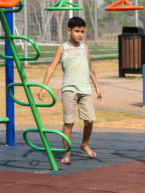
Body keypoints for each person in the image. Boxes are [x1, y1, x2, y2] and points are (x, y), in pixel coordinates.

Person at [39, 16, 103, 164]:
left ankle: (84, 144)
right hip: (69, 90)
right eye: (77, 31)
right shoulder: (63, 48)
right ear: (69, 31)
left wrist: (97, 88)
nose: (80, 34)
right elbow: (51, 68)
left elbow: (90, 68)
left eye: (82, 31)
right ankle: (66, 153)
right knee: (69, 123)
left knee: (89, 121)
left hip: (85, 90)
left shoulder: (85, 48)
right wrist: (44, 87)